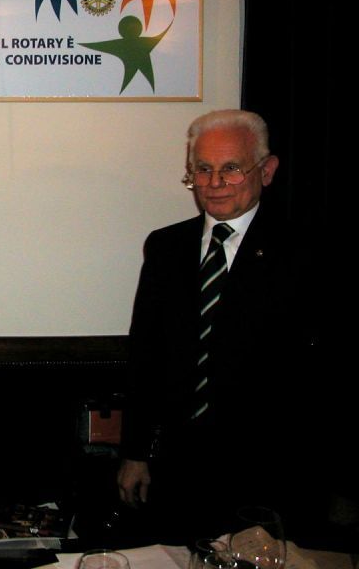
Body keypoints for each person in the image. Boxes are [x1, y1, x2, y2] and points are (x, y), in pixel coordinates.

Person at [117, 109, 309, 543]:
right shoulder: (166, 247)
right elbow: (145, 357)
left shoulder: (301, 253)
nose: (214, 183)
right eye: (203, 170)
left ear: (267, 171)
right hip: (177, 468)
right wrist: (135, 453)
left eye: (231, 169)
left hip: (268, 470)